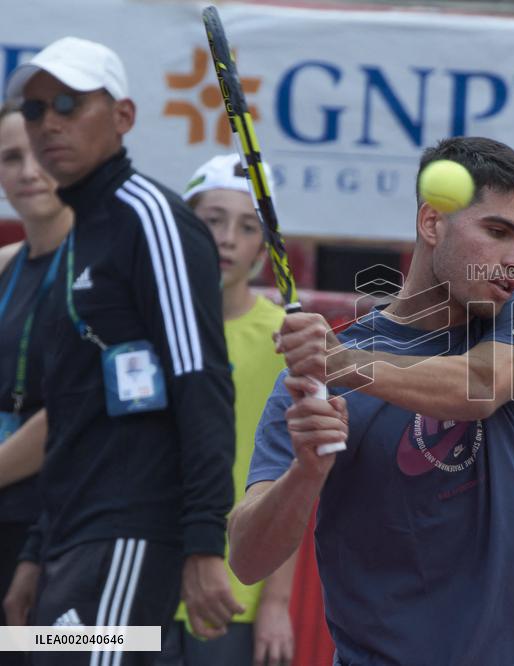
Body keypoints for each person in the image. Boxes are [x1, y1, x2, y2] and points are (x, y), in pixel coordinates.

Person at [228, 136, 514, 665]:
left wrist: (345, 365)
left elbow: (479, 387)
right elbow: (248, 558)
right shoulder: (315, 380)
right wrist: (304, 473)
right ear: (432, 222)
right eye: (497, 232)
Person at [1, 36, 239, 663]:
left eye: (69, 103)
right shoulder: (83, 234)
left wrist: (203, 545)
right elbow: (78, 414)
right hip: (72, 542)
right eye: (34, 109)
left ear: (123, 117)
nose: (48, 122)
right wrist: (36, 552)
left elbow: (202, 382)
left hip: (132, 534)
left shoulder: (151, 217)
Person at [157, 154, 295, 665]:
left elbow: (295, 476)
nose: (227, 239)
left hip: (232, 597)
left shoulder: (285, 337)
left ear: (265, 245)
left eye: (246, 226)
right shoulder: (140, 323)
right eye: (211, 220)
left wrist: (277, 601)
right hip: (137, 588)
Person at [0, 102, 72, 666]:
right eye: (10, 157)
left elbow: (79, 404)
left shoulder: (106, 267)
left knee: (65, 651)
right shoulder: (4, 264)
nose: (27, 170)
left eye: (39, 154)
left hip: (64, 523)